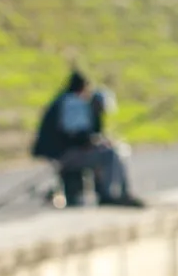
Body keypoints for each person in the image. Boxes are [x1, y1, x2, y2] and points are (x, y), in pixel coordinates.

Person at [31, 71, 143, 208]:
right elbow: (77, 136)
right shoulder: (73, 103)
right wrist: (95, 141)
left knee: (103, 151)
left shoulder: (63, 100)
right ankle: (110, 195)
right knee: (109, 154)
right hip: (64, 155)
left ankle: (109, 193)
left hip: (59, 153)